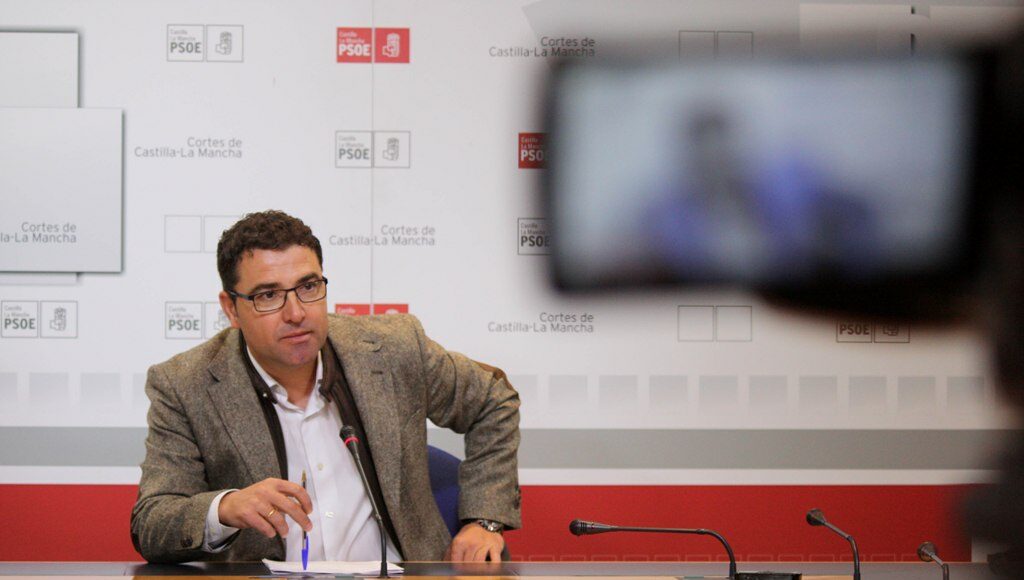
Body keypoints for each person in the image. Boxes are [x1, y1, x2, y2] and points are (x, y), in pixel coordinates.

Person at [130, 210, 521, 564]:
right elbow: (152, 522)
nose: (296, 312)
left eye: (308, 286)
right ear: (231, 308)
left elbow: (494, 401)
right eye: (268, 295)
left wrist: (484, 520)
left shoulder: (393, 348)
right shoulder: (185, 385)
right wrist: (225, 507)